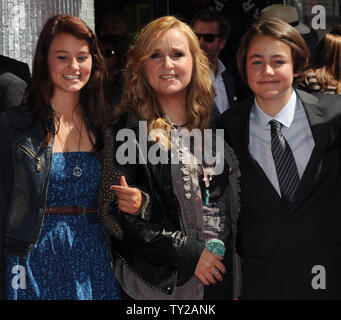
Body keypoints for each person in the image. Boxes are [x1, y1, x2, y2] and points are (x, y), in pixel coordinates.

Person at [99, 15, 241, 300]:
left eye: (177, 54)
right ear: (142, 66)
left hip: (221, 280)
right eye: (156, 55)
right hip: (162, 288)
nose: (167, 65)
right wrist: (190, 253)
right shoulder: (131, 130)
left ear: (193, 60)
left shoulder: (210, 119)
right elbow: (123, 219)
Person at [0, 14, 122, 300]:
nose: (74, 67)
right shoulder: (14, 125)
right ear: (45, 61)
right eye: (62, 57)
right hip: (32, 256)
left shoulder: (108, 127)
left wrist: (137, 202)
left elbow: (119, 202)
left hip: (93, 256)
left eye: (82, 57)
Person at [222, 17, 341, 299]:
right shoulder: (226, 128)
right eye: (256, 62)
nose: (267, 71)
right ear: (243, 68)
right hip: (261, 280)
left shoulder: (335, 116)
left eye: (278, 61)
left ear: (297, 65)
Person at [191, 9, 241, 114]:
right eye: (196, 36)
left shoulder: (231, 77)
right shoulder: (185, 76)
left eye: (208, 38)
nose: (200, 42)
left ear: (222, 43)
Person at [99, 34, 130, 106]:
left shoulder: (127, 80)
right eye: (99, 52)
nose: (102, 57)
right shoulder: (91, 79)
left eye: (108, 53)